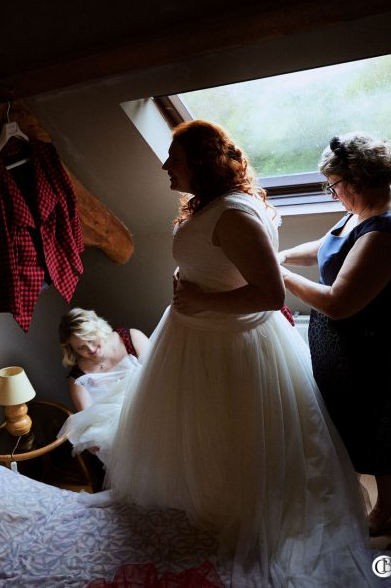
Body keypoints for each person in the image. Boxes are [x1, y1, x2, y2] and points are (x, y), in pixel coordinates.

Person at [101, 120, 376, 586]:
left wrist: (201, 299)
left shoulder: (234, 214)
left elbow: (271, 295)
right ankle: (205, 513)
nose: (166, 166)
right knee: (199, 433)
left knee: (233, 436)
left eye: (176, 159)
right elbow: (220, 260)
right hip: (196, 333)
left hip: (227, 344)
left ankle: (238, 519)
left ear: (201, 165)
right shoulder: (209, 205)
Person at [278, 133, 391, 556]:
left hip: (378, 353)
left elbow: (338, 303)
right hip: (349, 350)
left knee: (387, 450)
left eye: (334, 185)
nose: (333, 194)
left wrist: (277, 276)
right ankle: (382, 513)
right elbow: (331, 248)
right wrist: (284, 255)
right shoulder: (364, 211)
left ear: (355, 180)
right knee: (361, 442)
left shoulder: (390, 230)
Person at [57, 308, 150, 469]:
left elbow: (160, 375)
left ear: (98, 328)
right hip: (123, 437)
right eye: (81, 348)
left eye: (91, 339)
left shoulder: (131, 338)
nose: (91, 349)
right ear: (72, 350)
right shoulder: (78, 379)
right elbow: (90, 425)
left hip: (154, 408)